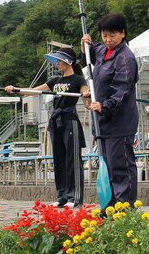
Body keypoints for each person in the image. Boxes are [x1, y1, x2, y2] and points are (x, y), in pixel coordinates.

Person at [6, 48, 88, 207]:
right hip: (56, 122)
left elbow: (85, 92)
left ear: (67, 61)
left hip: (70, 120)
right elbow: (32, 91)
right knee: (59, 160)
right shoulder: (54, 81)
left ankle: (74, 197)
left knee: (72, 160)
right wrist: (14, 89)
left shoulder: (78, 80)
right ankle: (62, 196)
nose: (56, 63)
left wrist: (87, 94)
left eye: (58, 60)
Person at [81, 14, 140, 205]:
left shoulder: (125, 58)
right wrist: (86, 45)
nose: (107, 40)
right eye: (104, 35)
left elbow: (121, 91)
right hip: (103, 122)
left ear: (123, 33)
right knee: (107, 165)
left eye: (112, 35)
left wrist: (104, 105)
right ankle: (110, 207)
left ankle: (125, 209)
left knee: (120, 166)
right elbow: (92, 50)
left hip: (119, 123)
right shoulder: (103, 51)